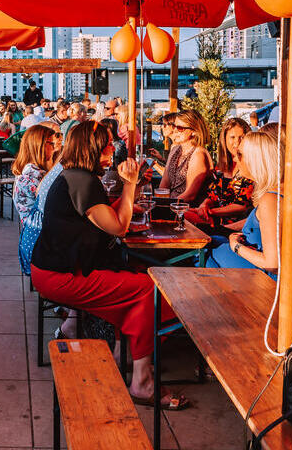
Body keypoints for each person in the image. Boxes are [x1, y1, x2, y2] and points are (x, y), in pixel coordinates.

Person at [30, 122, 186, 410]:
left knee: (140, 282)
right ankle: (139, 377)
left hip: (56, 269)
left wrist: (133, 189)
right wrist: (130, 185)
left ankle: (126, 358)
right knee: (151, 291)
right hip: (61, 276)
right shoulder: (81, 181)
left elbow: (98, 216)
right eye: (107, 145)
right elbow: (119, 227)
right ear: (93, 149)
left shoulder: (77, 177)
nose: (113, 148)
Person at [206, 130, 292, 287]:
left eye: (239, 154)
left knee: (205, 254)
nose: (234, 158)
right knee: (214, 241)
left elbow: (273, 263)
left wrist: (237, 247)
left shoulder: (272, 199)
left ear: (255, 160)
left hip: (283, 287)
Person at [12, 124, 60, 275]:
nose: (55, 147)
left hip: (41, 238)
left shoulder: (35, 172)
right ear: (38, 146)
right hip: (39, 245)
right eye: (51, 144)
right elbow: (55, 206)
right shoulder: (32, 177)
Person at [191, 118, 253, 226]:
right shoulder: (220, 167)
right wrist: (204, 205)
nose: (237, 142)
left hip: (235, 224)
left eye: (241, 137)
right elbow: (213, 196)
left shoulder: (251, 167)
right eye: (232, 137)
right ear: (224, 140)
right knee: (179, 215)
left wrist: (211, 212)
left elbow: (242, 206)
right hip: (214, 218)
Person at [157, 109, 212, 206]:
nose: (174, 130)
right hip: (171, 206)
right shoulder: (175, 149)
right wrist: (157, 204)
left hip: (188, 210)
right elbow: (163, 187)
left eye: (180, 128)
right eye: (174, 126)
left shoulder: (198, 154)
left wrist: (166, 206)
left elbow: (190, 196)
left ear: (194, 131)